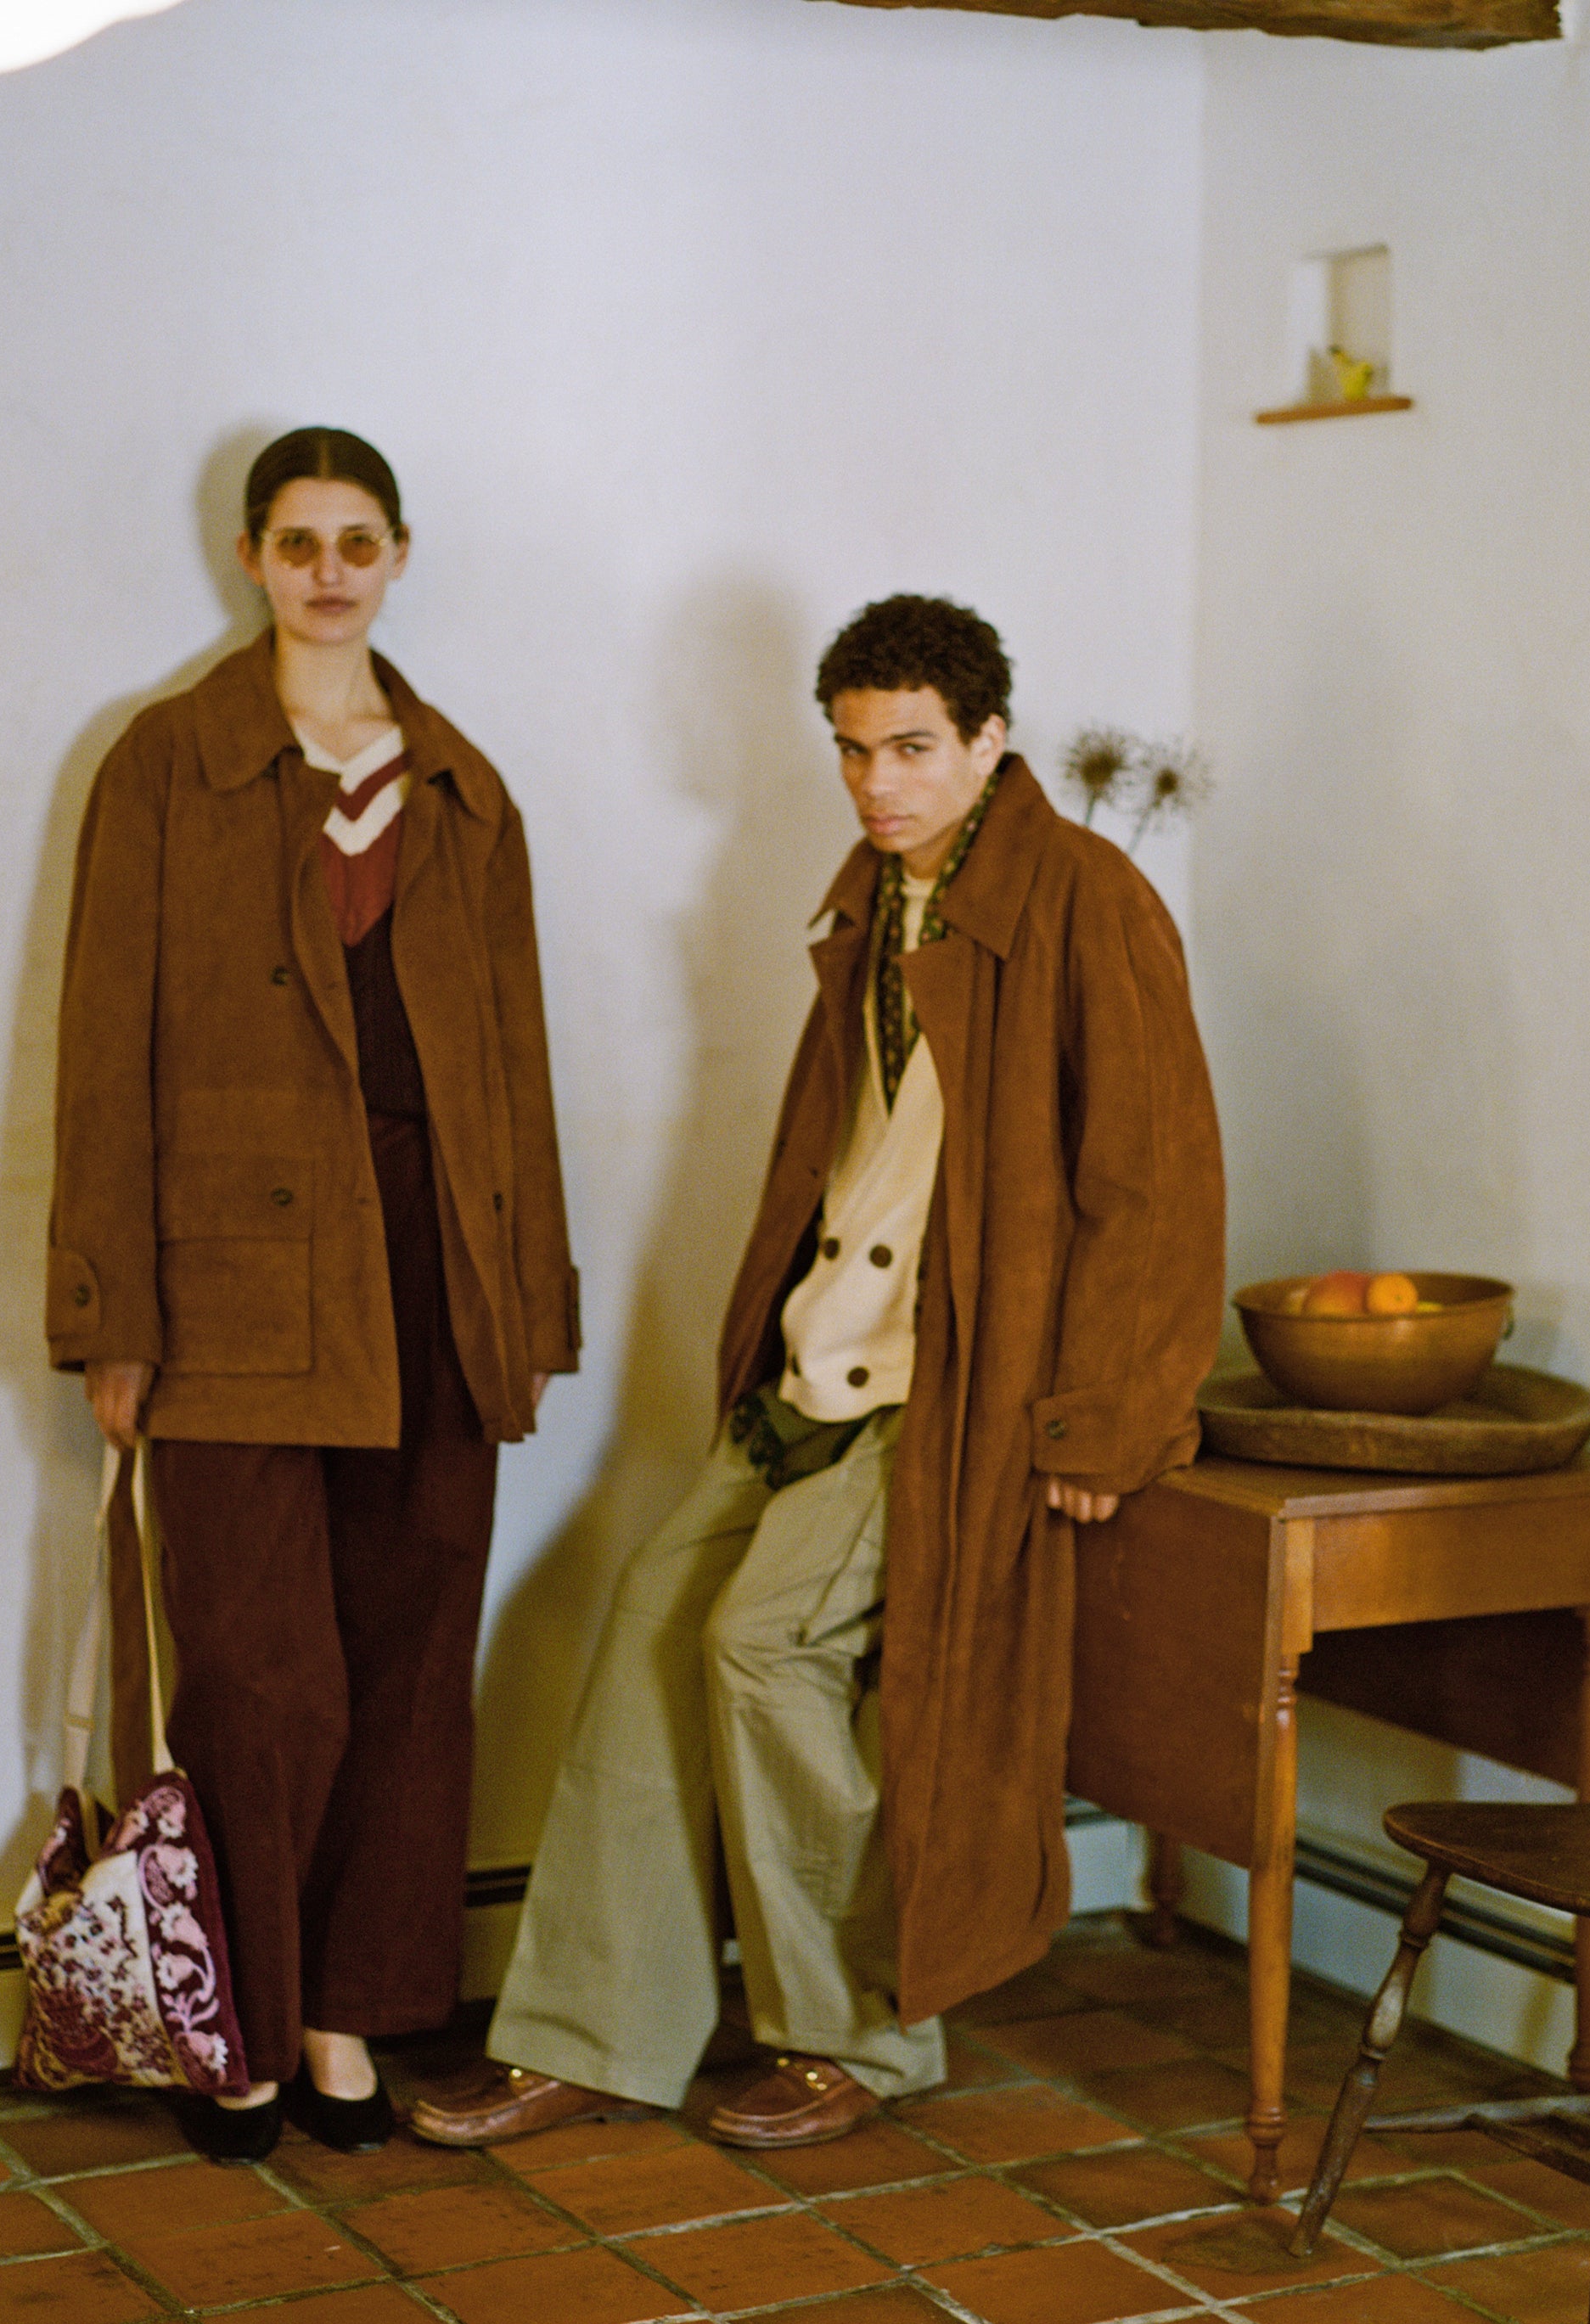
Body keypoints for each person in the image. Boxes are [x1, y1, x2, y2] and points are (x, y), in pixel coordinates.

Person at [413, 594, 1223, 2153]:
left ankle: (857, 2036)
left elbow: (1160, 1181)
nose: (878, 782)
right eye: (854, 751)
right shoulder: (875, 894)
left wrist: (1107, 1419)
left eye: (913, 749)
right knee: (652, 1622)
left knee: (763, 1646)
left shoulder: (1088, 902)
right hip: (816, 1367)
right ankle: (594, 2028)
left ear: (992, 741)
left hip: (955, 1389)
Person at [48, 426, 577, 2163]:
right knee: (262, 1668)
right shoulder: (165, 767)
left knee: (417, 1651)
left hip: (436, 1272)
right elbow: (101, 1050)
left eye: (359, 540)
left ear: (401, 555)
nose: (329, 569)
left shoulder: (464, 787)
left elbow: (517, 1074)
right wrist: (111, 1308)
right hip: (235, 1284)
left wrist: (531, 1306)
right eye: (298, 541)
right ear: (253, 559)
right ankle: (245, 2032)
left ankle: (353, 2015)